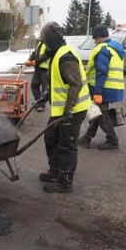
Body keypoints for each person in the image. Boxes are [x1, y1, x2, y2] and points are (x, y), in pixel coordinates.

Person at [38, 21, 92, 193]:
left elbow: (75, 85)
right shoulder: (55, 54)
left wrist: (68, 111)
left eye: (44, 39)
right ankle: (55, 171)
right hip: (61, 110)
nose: (43, 43)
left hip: (73, 110)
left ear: (50, 39)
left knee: (67, 145)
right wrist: (48, 93)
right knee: (50, 137)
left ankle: (64, 182)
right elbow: (58, 81)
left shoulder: (65, 57)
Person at [79, 24, 125, 150]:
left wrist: (97, 92)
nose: (94, 41)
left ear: (99, 37)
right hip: (113, 87)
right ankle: (86, 138)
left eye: (95, 39)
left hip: (103, 87)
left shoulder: (103, 49)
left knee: (102, 115)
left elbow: (101, 72)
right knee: (97, 113)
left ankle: (112, 140)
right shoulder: (114, 48)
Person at [24, 38, 50, 111]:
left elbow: (46, 56)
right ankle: (38, 101)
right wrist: (29, 59)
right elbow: (34, 53)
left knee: (45, 88)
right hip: (38, 69)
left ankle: (42, 105)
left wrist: (35, 62)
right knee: (34, 85)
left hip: (45, 69)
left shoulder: (49, 43)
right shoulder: (40, 43)